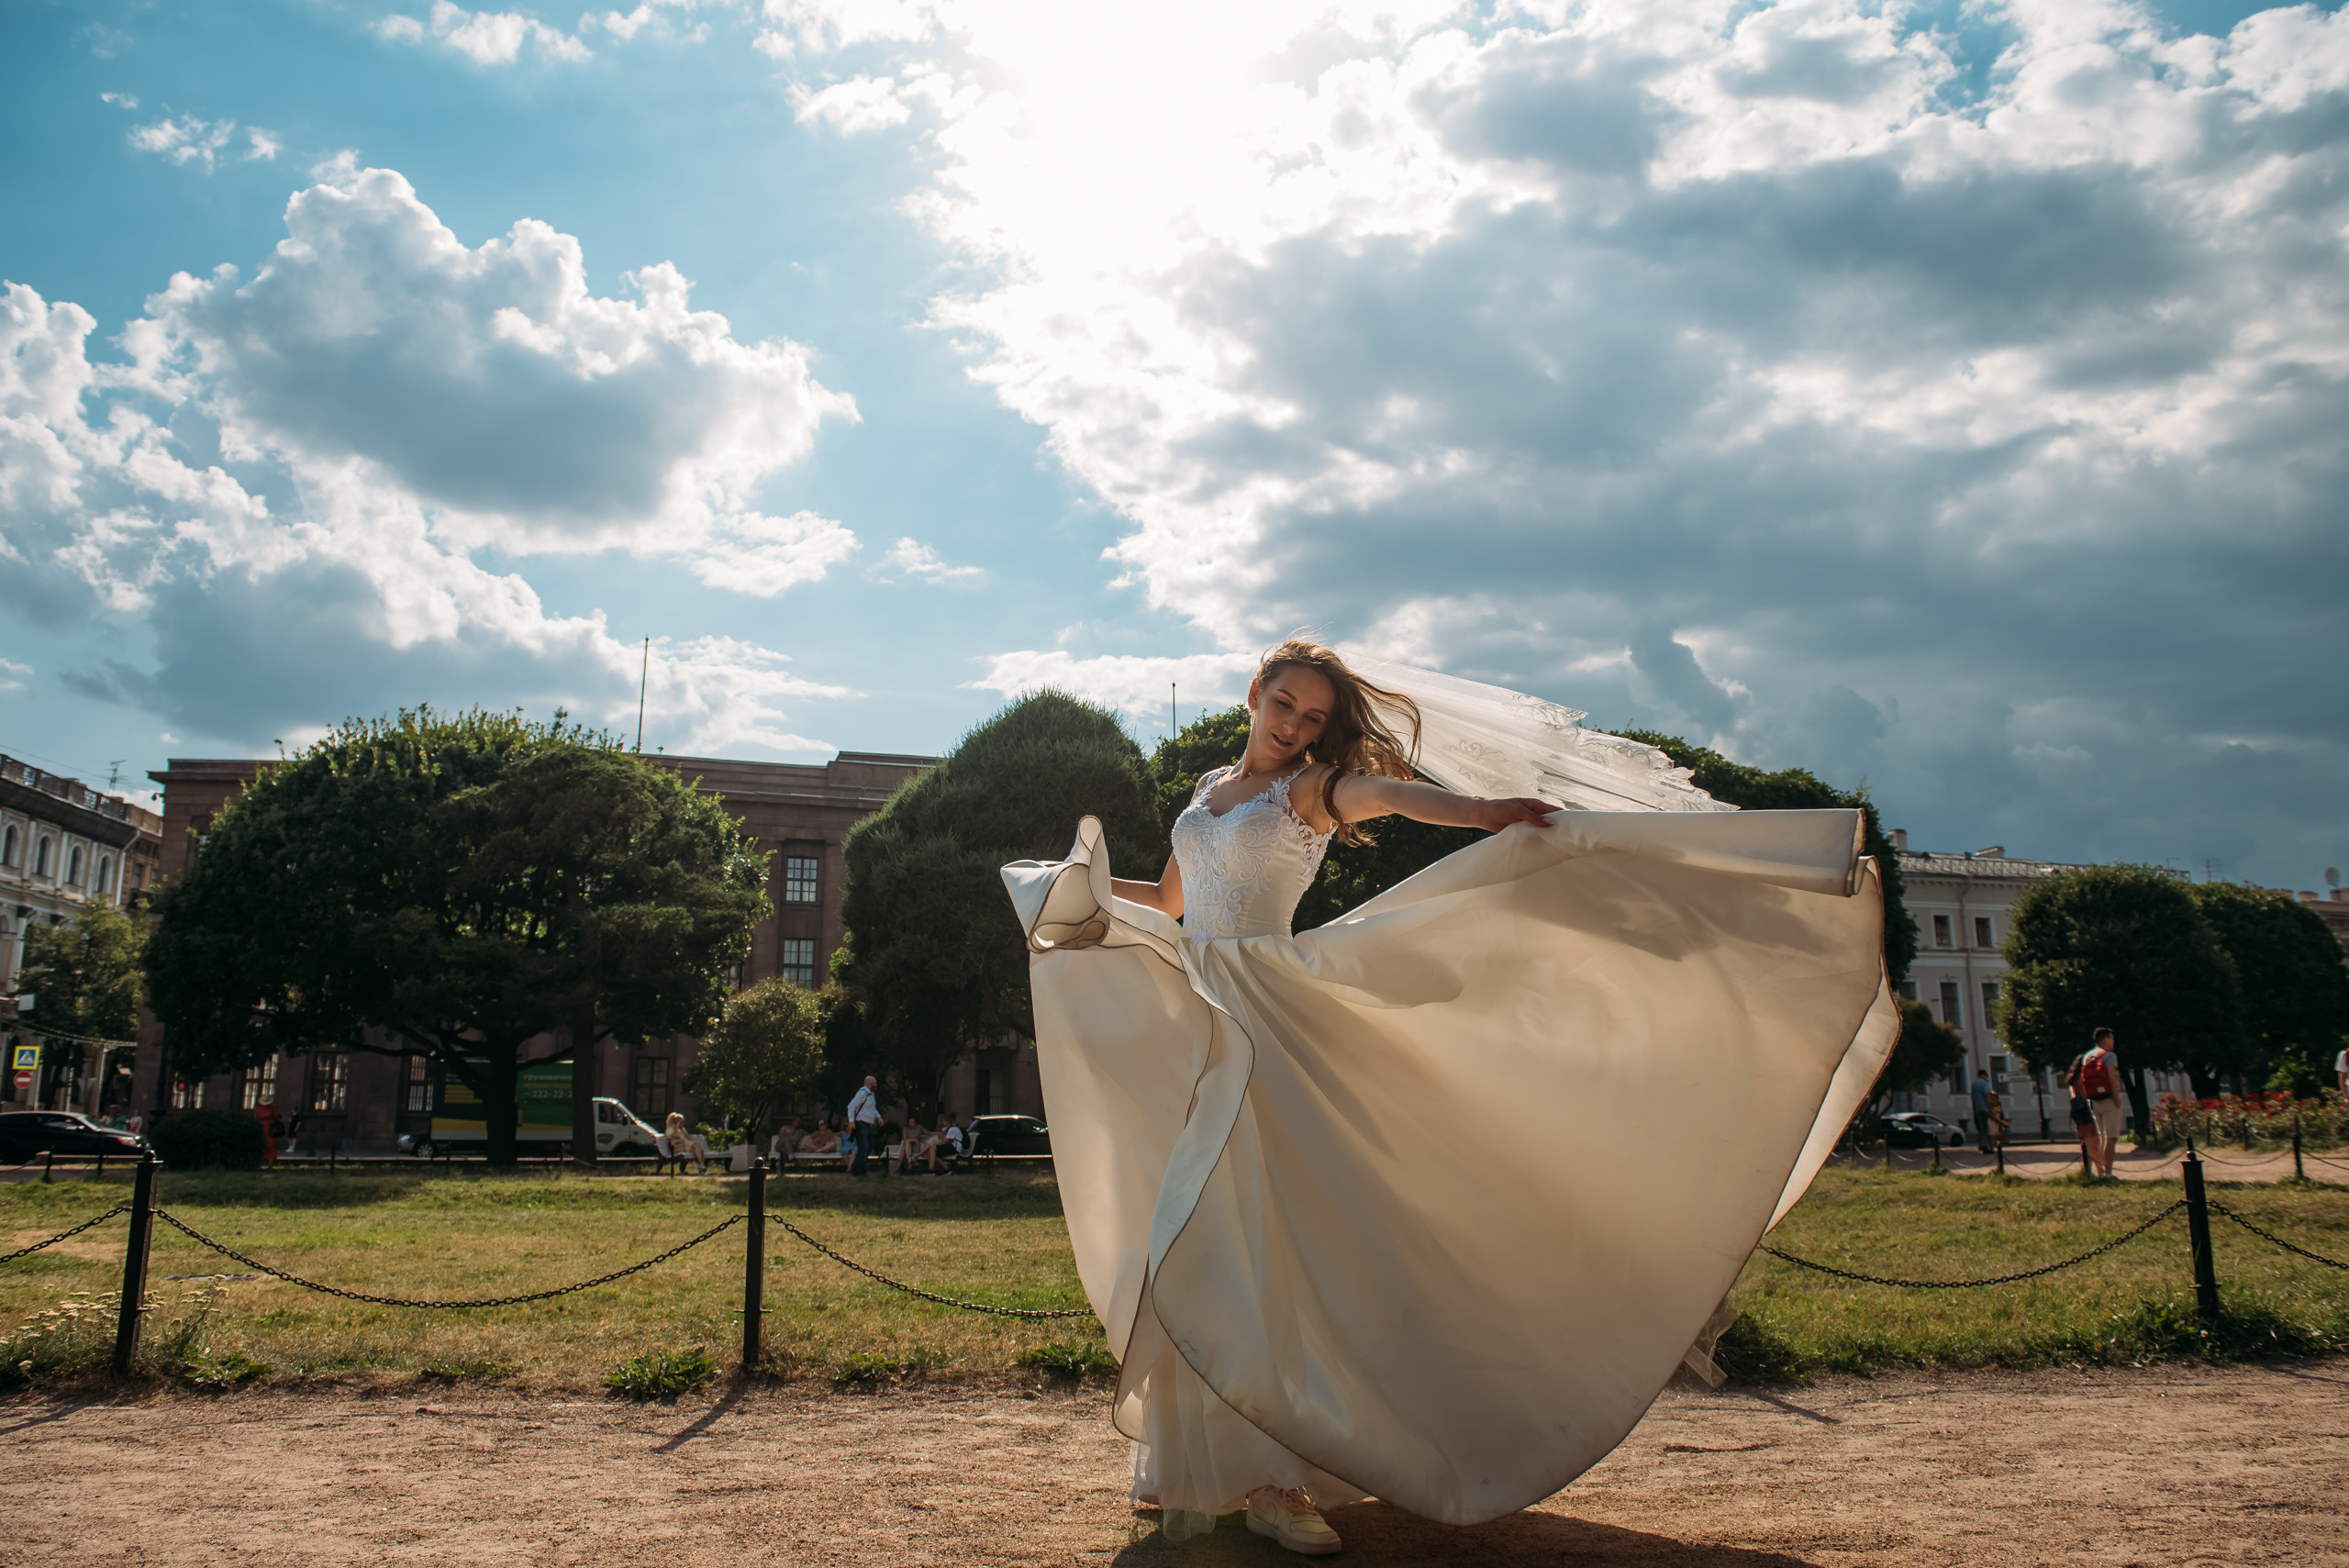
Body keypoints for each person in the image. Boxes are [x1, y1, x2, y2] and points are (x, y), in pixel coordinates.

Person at [1001, 639, 1897, 1552]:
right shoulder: (1205, 792)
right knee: (1203, 1232)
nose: (1296, 725)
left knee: (1269, 1237)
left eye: (1313, 715)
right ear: (1253, 693)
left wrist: (1479, 812)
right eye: (1284, 704)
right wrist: (1069, 890)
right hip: (1197, 1017)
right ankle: (1198, 1458)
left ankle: (1279, 1474)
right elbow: (1171, 900)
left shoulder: (1311, 788)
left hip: (1267, 1020)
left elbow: (1391, 795)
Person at [2080, 1028, 2126, 1178]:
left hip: (2093, 1100)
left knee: (2099, 1137)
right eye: (2112, 1038)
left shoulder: (2088, 1056)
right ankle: (2108, 1173)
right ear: (2105, 1039)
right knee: (2111, 1137)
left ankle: (2099, 1172)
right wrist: (2117, 1098)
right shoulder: (2109, 1056)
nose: (2114, 1041)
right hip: (2108, 1099)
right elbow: (2112, 1077)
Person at [846, 1076, 880, 1176]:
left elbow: (872, 1108)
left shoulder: (871, 1094)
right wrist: (851, 1121)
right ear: (869, 1084)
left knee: (868, 1148)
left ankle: (856, 1170)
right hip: (861, 1125)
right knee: (864, 1148)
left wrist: (878, 1117)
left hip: (868, 1126)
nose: (876, 1084)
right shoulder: (862, 1093)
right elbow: (851, 1106)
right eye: (875, 1083)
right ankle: (861, 1172)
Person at [1969, 1070, 1994, 1154]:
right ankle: (1985, 1146)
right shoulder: (1983, 1084)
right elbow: (1987, 1096)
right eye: (1986, 1076)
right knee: (1985, 1128)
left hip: (1977, 1110)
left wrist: (1974, 1108)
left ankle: (1981, 1145)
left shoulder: (1974, 1084)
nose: (1987, 1078)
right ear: (1983, 1076)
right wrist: (1990, 1108)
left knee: (1980, 1129)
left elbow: (1973, 1098)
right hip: (1984, 1110)